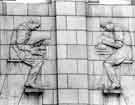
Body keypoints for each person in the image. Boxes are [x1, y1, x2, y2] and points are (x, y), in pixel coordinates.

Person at [9, 20, 48, 89]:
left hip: (20, 50)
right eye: (36, 27)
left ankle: (30, 81)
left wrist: (34, 48)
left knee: (39, 55)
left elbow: (24, 43)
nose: (36, 29)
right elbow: (20, 45)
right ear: (31, 23)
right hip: (17, 52)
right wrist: (31, 50)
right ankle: (30, 82)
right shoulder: (23, 29)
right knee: (38, 61)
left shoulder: (26, 28)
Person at [98, 22, 133, 89]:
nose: (105, 30)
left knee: (107, 63)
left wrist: (105, 42)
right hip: (125, 50)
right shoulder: (119, 26)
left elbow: (119, 45)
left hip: (125, 51)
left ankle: (115, 83)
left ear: (109, 24)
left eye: (105, 27)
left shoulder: (117, 28)